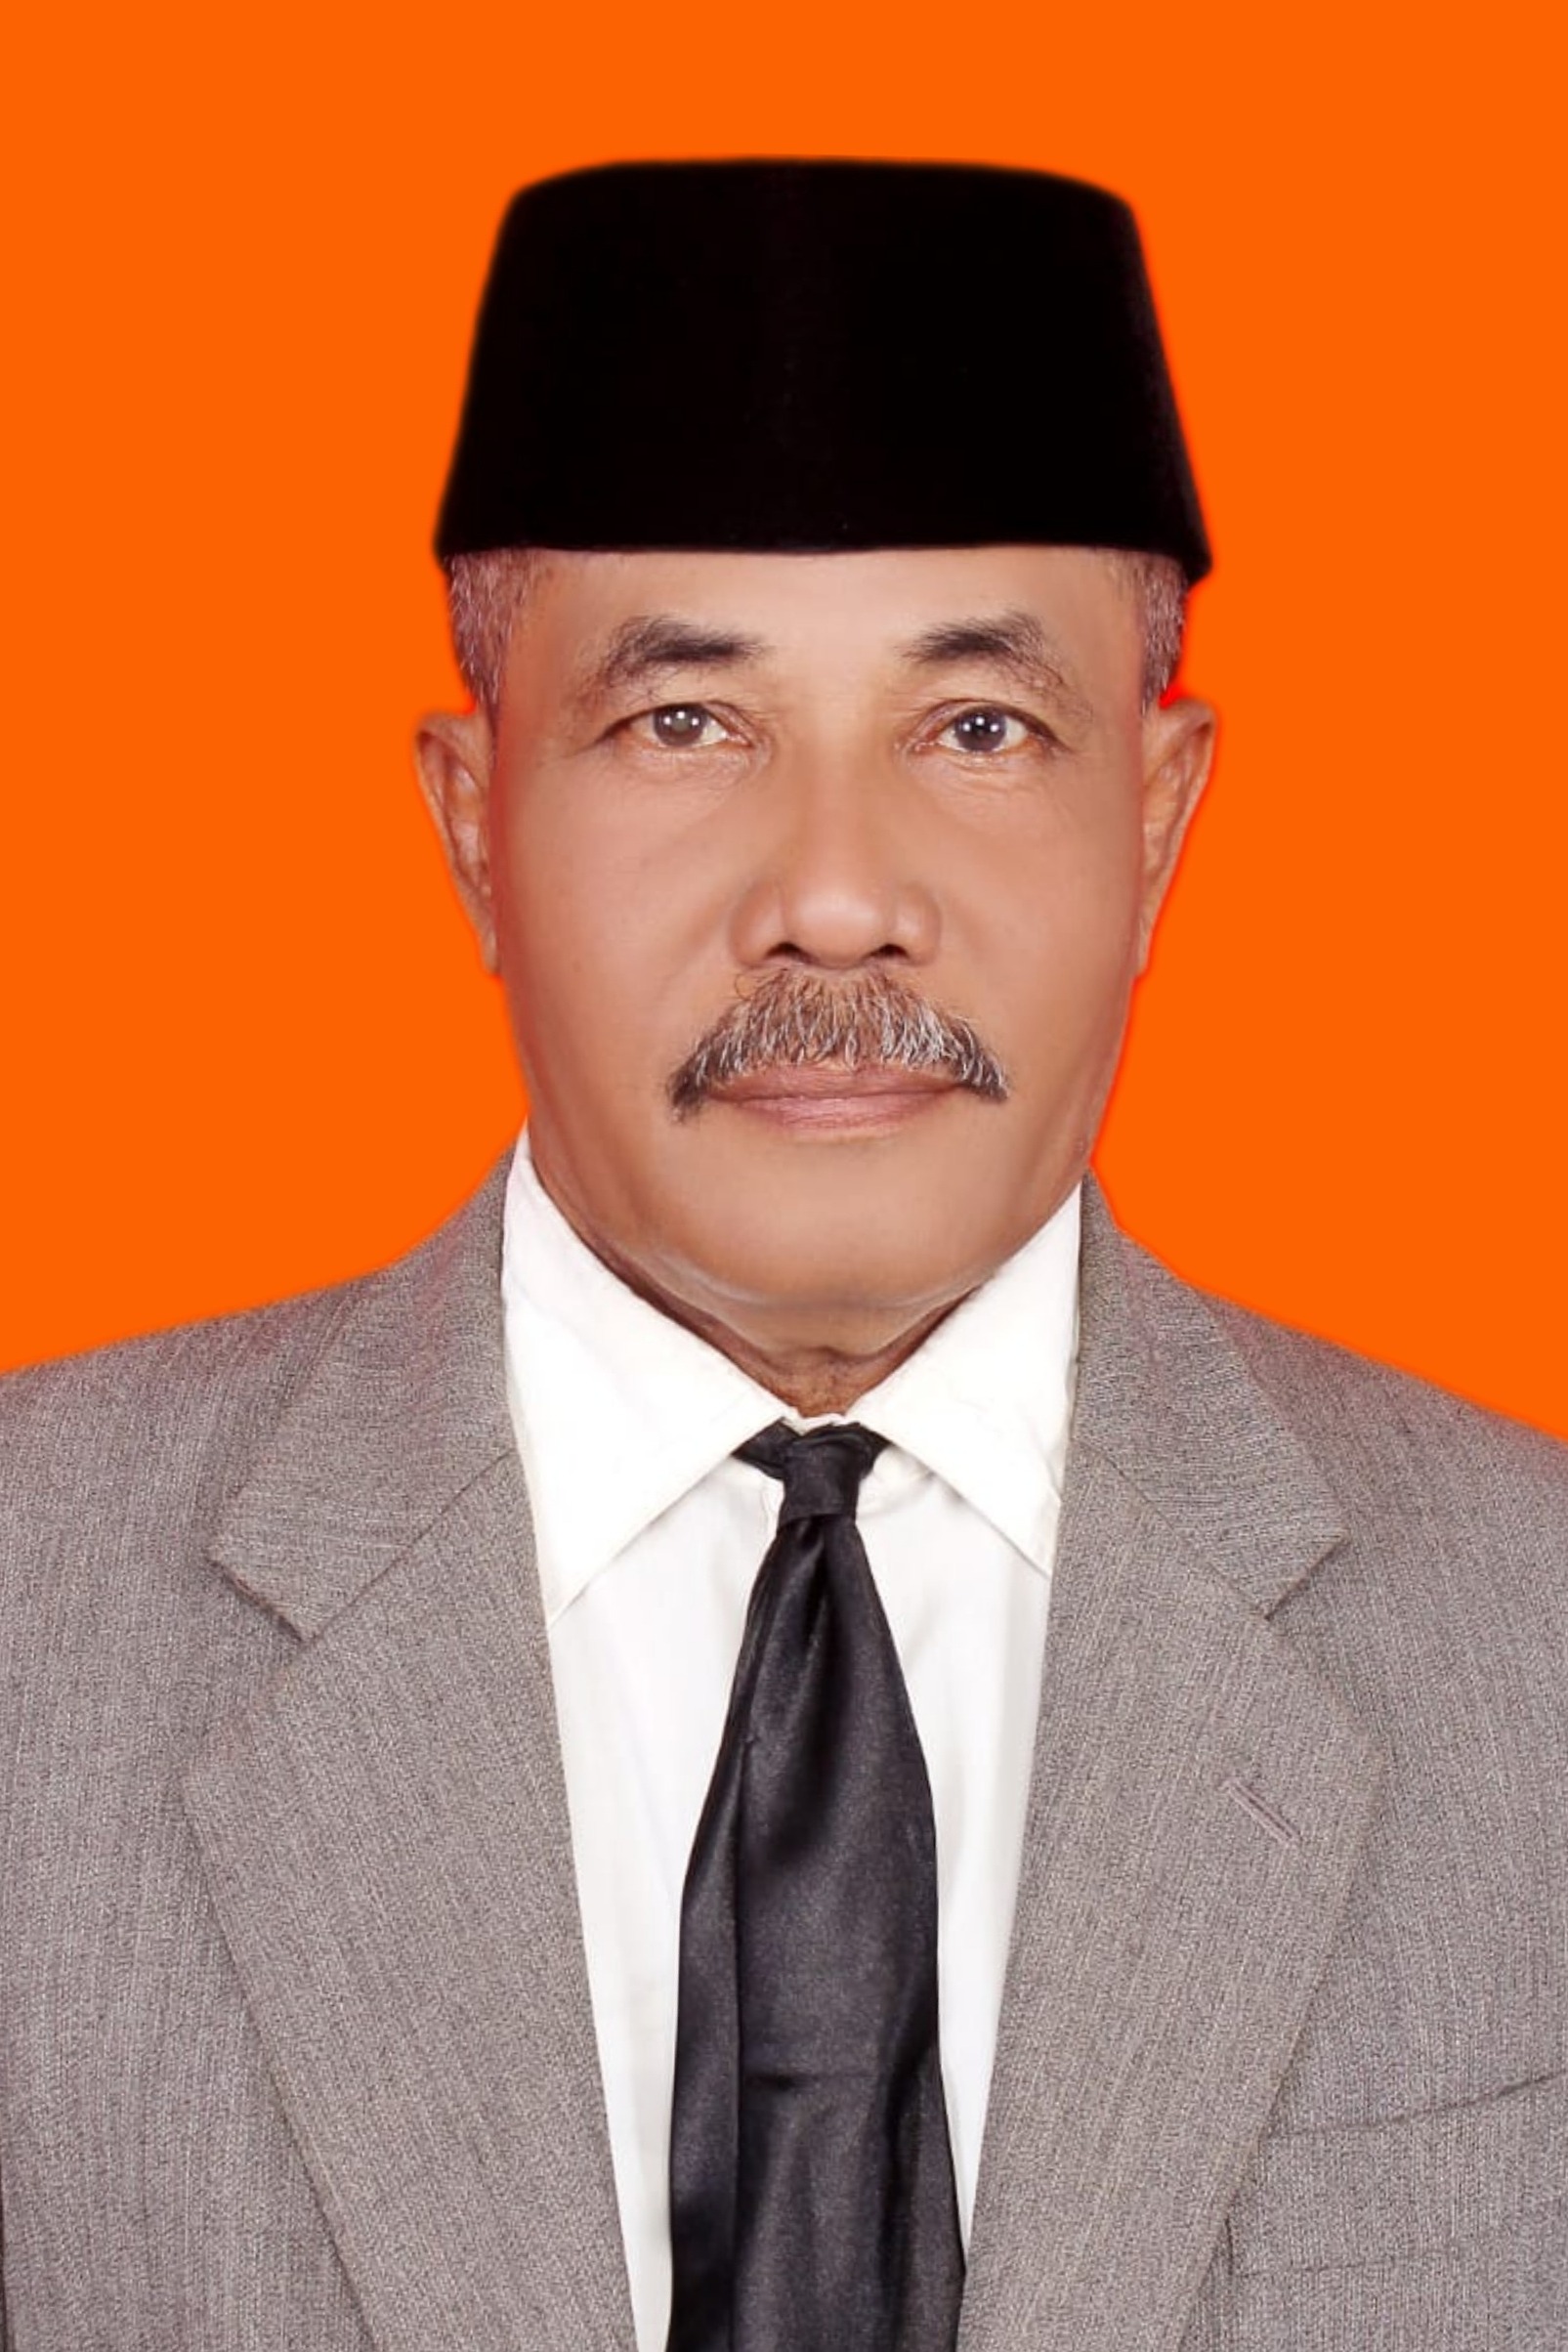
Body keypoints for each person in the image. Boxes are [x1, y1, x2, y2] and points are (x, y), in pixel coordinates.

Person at [0, 158, 1563, 2352]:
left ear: (1155, 815)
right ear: (471, 818)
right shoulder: (28, 1617)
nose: (834, 899)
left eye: (977, 729)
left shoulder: (1532, 1640)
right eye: (686, 724)